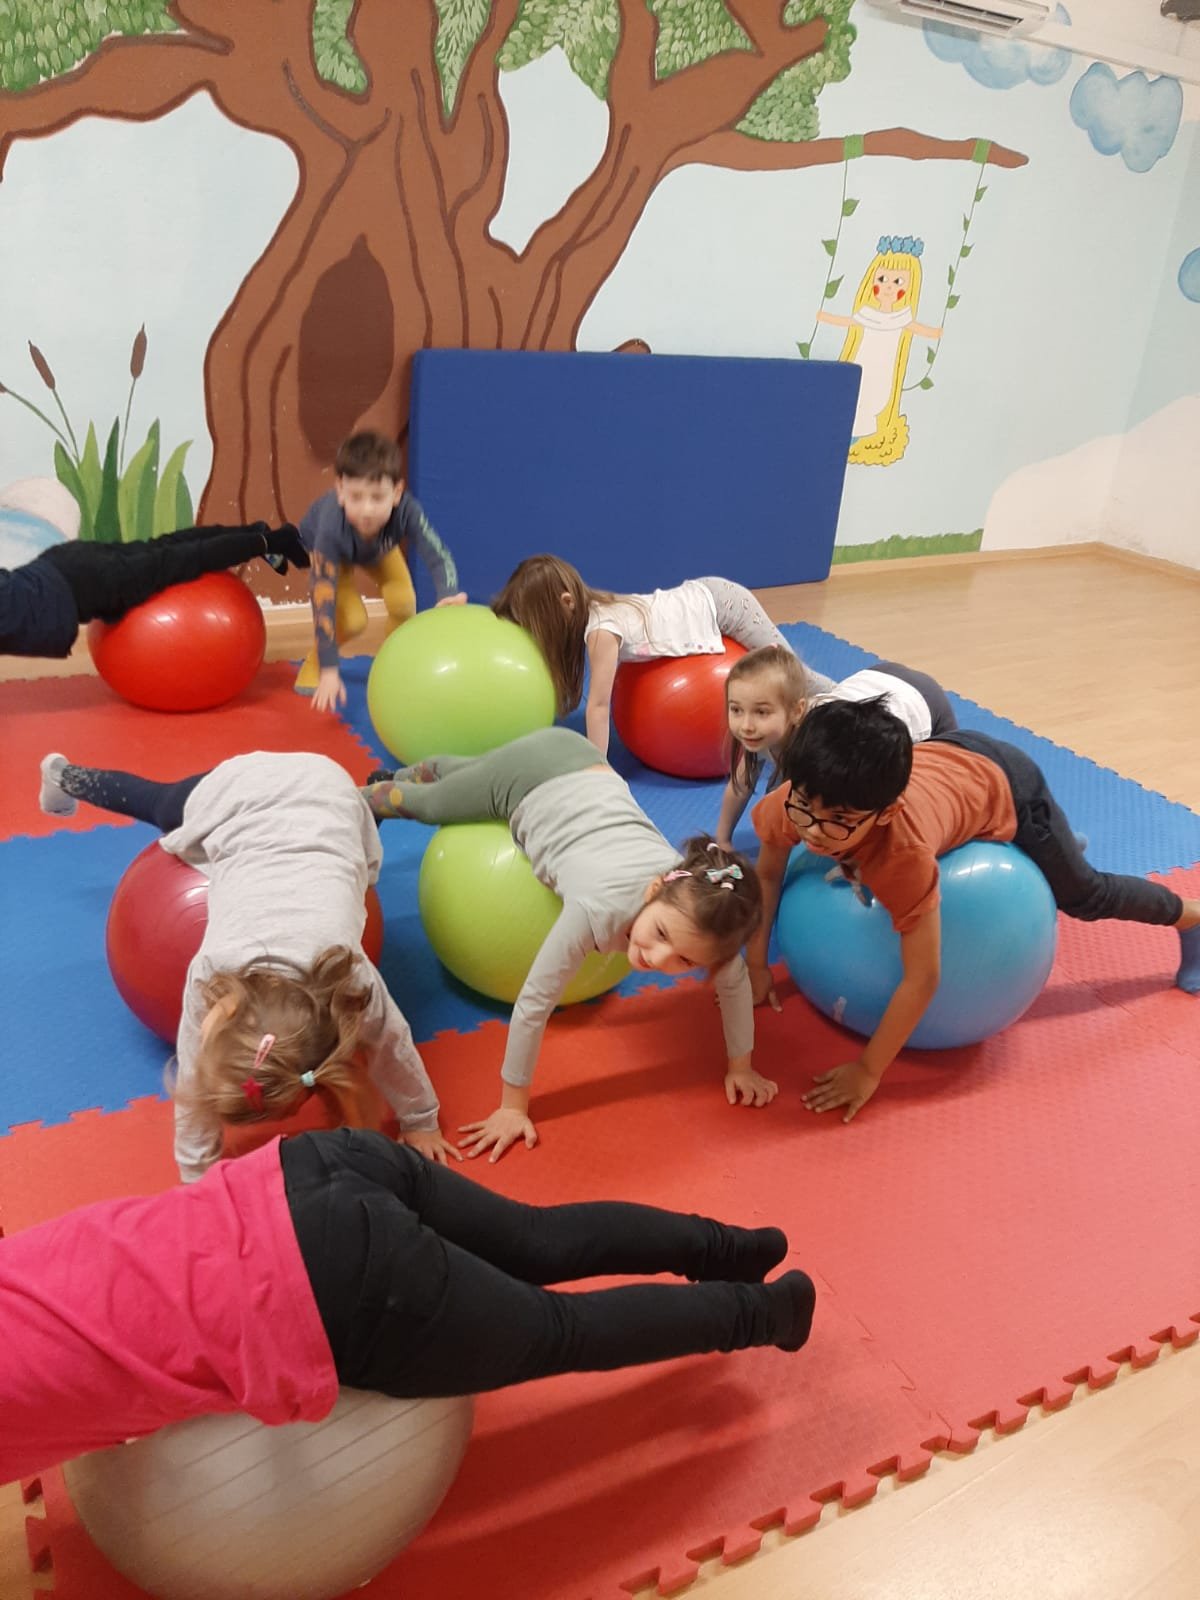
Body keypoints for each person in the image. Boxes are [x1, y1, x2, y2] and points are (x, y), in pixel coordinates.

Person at [0, 1126, 817, 1483]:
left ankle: (766, 1314)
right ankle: (736, 1248)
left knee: (561, 1331)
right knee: (538, 1237)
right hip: (307, 1165)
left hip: (330, 1287)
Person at [748, 698, 1200, 1121]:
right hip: (947, 760)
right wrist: (756, 966)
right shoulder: (796, 801)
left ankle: (1190, 914)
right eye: (805, 808)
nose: (813, 832)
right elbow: (767, 875)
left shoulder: (903, 858)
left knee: (1084, 895)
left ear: (884, 814)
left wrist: (868, 1071)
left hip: (1006, 782)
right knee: (844, 835)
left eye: (839, 822)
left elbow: (923, 978)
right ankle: (1056, 850)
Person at [39, 750, 457, 1180]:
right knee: (158, 803)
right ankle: (62, 775)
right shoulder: (221, 970)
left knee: (332, 848)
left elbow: (392, 1044)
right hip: (278, 790)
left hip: (307, 791)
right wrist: (193, 1175)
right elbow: (194, 1074)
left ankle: (372, 795)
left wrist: (420, 1120)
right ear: (225, 1013)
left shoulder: (346, 978)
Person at [364, 727, 774, 1161]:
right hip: (532, 778)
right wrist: (512, 1107)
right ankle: (364, 796)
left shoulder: (699, 902)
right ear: (656, 889)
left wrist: (741, 1067)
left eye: (685, 960)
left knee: (471, 775)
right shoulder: (596, 909)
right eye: (660, 934)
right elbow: (534, 1002)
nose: (657, 959)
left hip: (584, 766)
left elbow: (734, 981)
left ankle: (428, 773)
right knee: (430, 804)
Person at [491, 553, 834, 759]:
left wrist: (598, 767)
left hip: (723, 605)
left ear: (566, 603)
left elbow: (598, 706)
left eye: (539, 624)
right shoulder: (596, 606)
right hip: (706, 596)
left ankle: (845, 700)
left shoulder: (600, 631)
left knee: (796, 677)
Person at [715, 644, 957, 852]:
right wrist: (722, 841)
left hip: (923, 703)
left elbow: (870, 804)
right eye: (736, 709)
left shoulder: (824, 747)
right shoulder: (760, 731)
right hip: (877, 676)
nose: (746, 725)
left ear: (797, 711)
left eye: (761, 712)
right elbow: (740, 786)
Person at [295, 430, 465, 713]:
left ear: (396, 493)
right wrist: (329, 669)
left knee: (404, 603)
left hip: (378, 548)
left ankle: (393, 665)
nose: (367, 510)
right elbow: (323, 598)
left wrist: (448, 593)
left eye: (377, 497)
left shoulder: (407, 511)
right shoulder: (330, 528)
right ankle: (314, 662)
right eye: (356, 497)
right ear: (340, 491)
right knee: (353, 621)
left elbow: (438, 555)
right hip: (336, 554)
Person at [0, 519, 306, 659]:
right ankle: (255, 533)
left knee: (184, 559)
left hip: (85, 584)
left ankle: (275, 541)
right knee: (165, 549)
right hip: (62, 563)